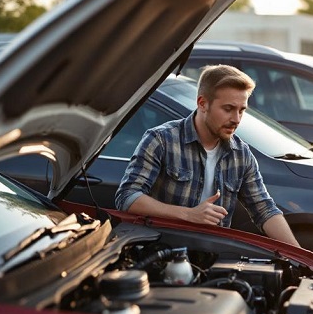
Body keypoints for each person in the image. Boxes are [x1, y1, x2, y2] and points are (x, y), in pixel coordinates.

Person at [115, 64, 300, 247]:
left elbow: (265, 209)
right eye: (228, 109)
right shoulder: (161, 140)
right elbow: (127, 197)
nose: (236, 119)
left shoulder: (241, 154)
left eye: (241, 110)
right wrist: (188, 214)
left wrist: (302, 258)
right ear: (202, 103)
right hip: (161, 253)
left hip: (212, 260)